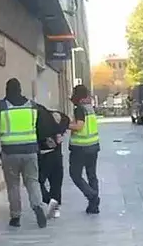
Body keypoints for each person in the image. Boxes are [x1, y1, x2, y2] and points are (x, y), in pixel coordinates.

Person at [0, 78, 47, 229]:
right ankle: (37, 207)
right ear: (20, 90)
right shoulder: (32, 106)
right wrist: (41, 147)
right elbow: (40, 129)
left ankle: (15, 217)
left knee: (13, 185)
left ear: (7, 90)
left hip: (10, 153)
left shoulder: (2, 107)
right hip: (30, 152)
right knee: (32, 182)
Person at [68, 84, 101, 214]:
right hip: (93, 146)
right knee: (92, 175)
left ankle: (92, 196)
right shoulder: (90, 108)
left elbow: (79, 126)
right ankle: (94, 206)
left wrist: (65, 124)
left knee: (75, 175)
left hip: (80, 148)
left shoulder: (80, 109)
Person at [35, 105, 69, 218]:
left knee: (38, 180)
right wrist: (60, 132)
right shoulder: (54, 115)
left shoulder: (37, 117)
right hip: (56, 155)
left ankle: (49, 200)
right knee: (56, 181)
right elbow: (65, 119)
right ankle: (55, 207)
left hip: (44, 155)